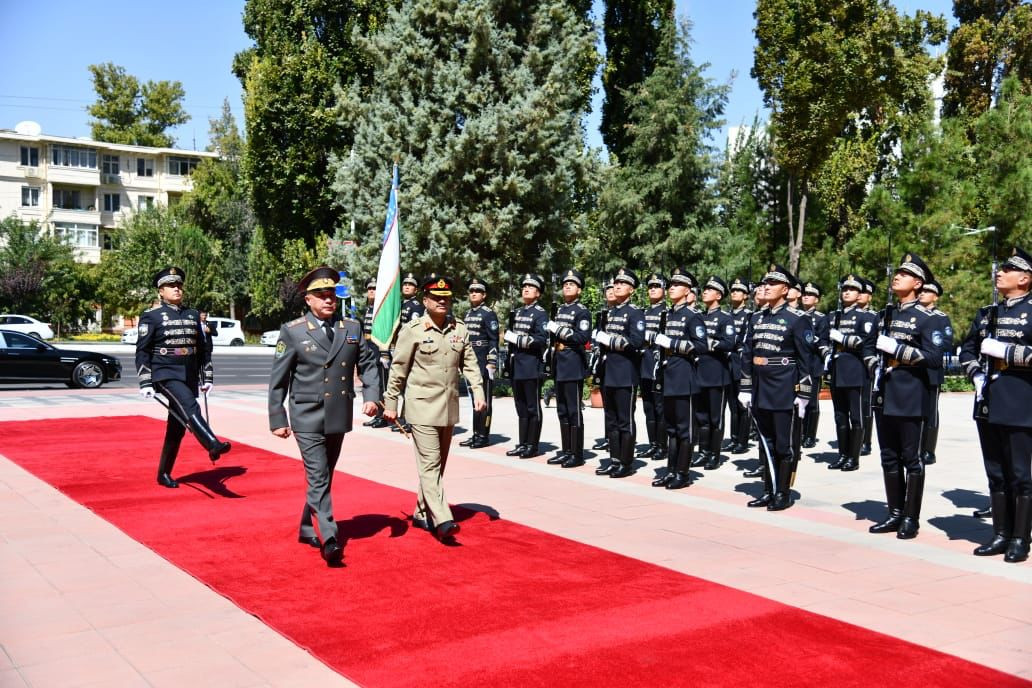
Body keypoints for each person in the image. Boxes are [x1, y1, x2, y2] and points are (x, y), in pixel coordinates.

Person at [268, 266, 381, 567]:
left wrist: (372, 396)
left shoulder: (352, 328)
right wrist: (278, 419)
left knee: (325, 475)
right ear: (308, 299)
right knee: (318, 475)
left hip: (337, 414)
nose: (328, 299)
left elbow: (369, 364)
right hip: (306, 414)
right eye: (321, 294)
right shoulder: (292, 331)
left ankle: (308, 526)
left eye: (331, 293)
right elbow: (278, 379)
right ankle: (330, 538)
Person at [383, 273, 487, 543]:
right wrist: (391, 402)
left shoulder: (459, 329)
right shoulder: (413, 330)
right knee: (430, 465)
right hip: (421, 408)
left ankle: (420, 511)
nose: (442, 302)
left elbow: (471, 365)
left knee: (437, 467)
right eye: (436, 298)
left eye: (446, 298)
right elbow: (398, 370)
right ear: (425, 300)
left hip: (448, 408)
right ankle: (443, 519)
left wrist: (478, 391)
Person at [960, 247, 1032, 563]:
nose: (999, 273)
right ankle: (1000, 534)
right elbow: (967, 350)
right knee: (995, 472)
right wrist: (975, 374)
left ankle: (1020, 538)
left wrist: (1005, 352)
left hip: (1021, 399)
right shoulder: (988, 313)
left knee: (1020, 474)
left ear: (1025, 278)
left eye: (1007, 269)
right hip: (988, 399)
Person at [868, 253, 944, 540]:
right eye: (897, 272)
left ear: (918, 283)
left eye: (904, 273)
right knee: (888, 456)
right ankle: (894, 513)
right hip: (884, 391)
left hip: (911, 393)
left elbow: (935, 357)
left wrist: (898, 352)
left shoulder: (927, 318)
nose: (896, 276)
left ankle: (911, 518)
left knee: (911, 458)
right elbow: (867, 346)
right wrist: (873, 362)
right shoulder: (885, 314)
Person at [137, 267, 231, 489]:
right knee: (190, 405)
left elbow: (203, 347)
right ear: (160, 291)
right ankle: (211, 443)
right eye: (171, 286)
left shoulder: (192, 314)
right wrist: (145, 381)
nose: (177, 289)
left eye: (178, 285)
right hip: (165, 372)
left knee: (176, 428)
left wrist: (206, 376)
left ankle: (163, 473)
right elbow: (142, 350)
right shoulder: (151, 317)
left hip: (188, 373)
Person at [739, 264, 819, 510]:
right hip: (761, 387)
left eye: (772, 283)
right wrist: (745, 386)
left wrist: (804, 394)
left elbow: (807, 359)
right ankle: (768, 489)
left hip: (784, 388)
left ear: (785, 289)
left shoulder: (798, 319)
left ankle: (782, 492)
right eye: (764, 283)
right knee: (766, 442)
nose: (766, 287)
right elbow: (748, 353)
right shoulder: (757, 317)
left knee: (784, 445)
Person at [652, 267, 708, 489]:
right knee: (671, 428)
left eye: (677, 285)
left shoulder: (692, 316)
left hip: (684, 377)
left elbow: (702, 346)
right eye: (671, 284)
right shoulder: (667, 314)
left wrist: (673, 344)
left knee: (684, 429)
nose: (671, 287)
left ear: (687, 291)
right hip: (668, 375)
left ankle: (683, 473)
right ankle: (671, 470)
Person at [593, 267, 645, 478]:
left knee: (625, 420)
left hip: (625, 372)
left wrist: (611, 340)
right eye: (616, 283)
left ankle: (626, 462)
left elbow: (637, 342)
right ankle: (614, 459)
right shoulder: (610, 313)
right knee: (611, 420)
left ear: (631, 289)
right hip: (609, 372)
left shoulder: (635, 313)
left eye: (622, 284)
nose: (617, 286)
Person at [826, 274, 877, 471]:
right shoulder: (834, 316)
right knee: (840, 416)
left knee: (856, 415)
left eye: (852, 290)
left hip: (855, 370)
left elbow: (865, 343)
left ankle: (853, 457)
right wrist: (826, 354)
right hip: (836, 370)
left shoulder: (865, 316)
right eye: (844, 289)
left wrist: (843, 339)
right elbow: (822, 340)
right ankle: (842, 453)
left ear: (859, 295)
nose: (847, 292)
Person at [545, 269, 592, 467]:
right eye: (565, 284)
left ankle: (577, 453)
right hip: (560, 361)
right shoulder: (559, 310)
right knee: (562, 410)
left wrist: (559, 330)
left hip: (573, 362)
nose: (567, 286)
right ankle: (566, 451)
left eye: (571, 284)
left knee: (573, 411)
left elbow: (582, 337)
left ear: (579, 290)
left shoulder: (582, 311)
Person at [504, 273, 549, 458]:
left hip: (531, 365)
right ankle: (523, 443)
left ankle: (533, 445)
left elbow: (541, 339)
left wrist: (519, 339)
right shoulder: (518, 312)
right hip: (517, 365)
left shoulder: (540, 314)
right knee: (521, 407)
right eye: (524, 287)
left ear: (537, 293)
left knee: (532, 407)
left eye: (530, 287)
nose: (525, 290)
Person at [693, 276, 736, 471]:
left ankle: (714, 454)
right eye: (705, 289)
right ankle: (703, 451)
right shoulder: (699, 316)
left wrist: (707, 344)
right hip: (699, 371)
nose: (705, 292)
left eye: (709, 289)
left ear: (718, 295)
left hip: (716, 373)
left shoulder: (725, 318)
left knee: (715, 417)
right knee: (701, 416)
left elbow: (729, 343)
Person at [459, 277, 499, 448]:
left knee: (485, 400)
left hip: (483, 360)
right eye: (472, 291)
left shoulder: (488, 314)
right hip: (470, 360)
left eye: (477, 291)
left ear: (484, 295)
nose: (474, 294)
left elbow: (494, 339)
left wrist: (492, 361)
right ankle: (475, 433)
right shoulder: (468, 314)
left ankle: (483, 435)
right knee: (474, 399)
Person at [917, 280, 953, 465]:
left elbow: (947, 342)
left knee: (931, 411)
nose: (922, 293)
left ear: (935, 296)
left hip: (931, 369)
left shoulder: (941, 318)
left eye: (928, 291)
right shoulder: (913, 315)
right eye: (921, 290)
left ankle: (929, 449)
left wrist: (930, 342)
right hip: (914, 369)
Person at [639, 273, 668, 460]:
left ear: (664, 290)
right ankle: (652, 444)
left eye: (657, 286)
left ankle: (662, 446)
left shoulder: (666, 312)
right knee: (648, 407)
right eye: (650, 287)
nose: (653, 290)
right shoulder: (643, 312)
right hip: (644, 363)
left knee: (660, 407)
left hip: (658, 363)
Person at [800, 282, 831, 449]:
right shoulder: (796, 315)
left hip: (813, 365)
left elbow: (823, 342)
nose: (806, 296)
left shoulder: (821, 318)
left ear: (816, 299)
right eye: (804, 294)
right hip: (798, 365)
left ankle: (810, 435)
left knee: (812, 403)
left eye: (810, 295)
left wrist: (810, 338)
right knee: (798, 401)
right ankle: (799, 432)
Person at [727, 278, 753, 455]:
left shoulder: (749, 315)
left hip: (740, 364)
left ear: (745, 295)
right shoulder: (727, 315)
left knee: (742, 406)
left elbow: (743, 341)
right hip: (727, 363)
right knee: (732, 406)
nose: (734, 293)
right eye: (733, 290)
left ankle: (742, 441)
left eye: (739, 290)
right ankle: (734, 438)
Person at [591, 279, 617, 451]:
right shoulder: (602, 314)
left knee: (618, 408)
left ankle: (615, 440)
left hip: (615, 360)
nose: (609, 292)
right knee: (608, 406)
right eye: (607, 290)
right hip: (603, 361)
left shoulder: (621, 313)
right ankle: (609, 438)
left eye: (612, 289)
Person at [361, 277, 389, 429]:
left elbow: (385, 332)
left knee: (381, 386)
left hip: (378, 350)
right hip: (369, 349)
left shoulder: (380, 309)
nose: (371, 291)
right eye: (369, 289)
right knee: (374, 384)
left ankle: (382, 416)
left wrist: (384, 353)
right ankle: (378, 414)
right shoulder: (369, 308)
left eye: (374, 289)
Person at [858, 278, 876, 456]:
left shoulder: (873, 317)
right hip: (851, 366)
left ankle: (866, 440)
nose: (859, 295)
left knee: (866, 404)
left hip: (866, 366)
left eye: (863, 292)